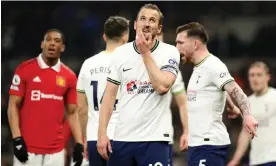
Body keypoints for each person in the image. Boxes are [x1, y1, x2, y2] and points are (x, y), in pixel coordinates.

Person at [97, 4, 180, 166]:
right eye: (143, 19)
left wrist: (145, 53)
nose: (147, 24)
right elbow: (109, 96)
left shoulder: (170, 52)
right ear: (135, 25)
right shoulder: (120, 54)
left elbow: (162, 87)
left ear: (159, 28)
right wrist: (102, 133)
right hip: (122, 138)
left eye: (152, 20)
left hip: (155, 139)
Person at [175, 22, 258, 166]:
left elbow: (235, 89)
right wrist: (231, 105)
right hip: (198, 145)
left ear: (195, 44)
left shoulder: (213, 65)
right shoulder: (199, 68)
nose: (177, 48)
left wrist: (248, 115)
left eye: (180, 43)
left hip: (209, 145)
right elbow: (218, 88)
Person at [8, 29, 84, 166]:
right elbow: (13, 105)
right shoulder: (24, 69)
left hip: (56, 152)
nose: (52, 44)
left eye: (57, 41)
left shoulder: (69, 76)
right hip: (27, 148)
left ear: (62, 48)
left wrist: (79, 143)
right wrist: (16, 139)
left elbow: (72, 112)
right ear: (42, 44)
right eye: (48, 40)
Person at [76, 16, 129, 166]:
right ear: (125, 38)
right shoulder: (129, 63)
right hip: (122, 137)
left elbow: (81, 108)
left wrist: (85, 138)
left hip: (94, 137)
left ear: (104, 36)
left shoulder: (88, 64)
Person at [227, 61, 276, 166]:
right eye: (252, 75)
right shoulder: (247, 103)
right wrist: (235, 160)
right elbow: (246, 133)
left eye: (259, 75)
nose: (255, 79)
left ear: (268, 77)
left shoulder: (274, 97)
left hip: (273, 158)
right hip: (255, 160)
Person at [157, 32, 189, 166]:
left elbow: (183, 104)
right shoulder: (131, 64)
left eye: (159, 37)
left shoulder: (171, 69)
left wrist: (187, 131)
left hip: (161, 136)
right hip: (130, 137)